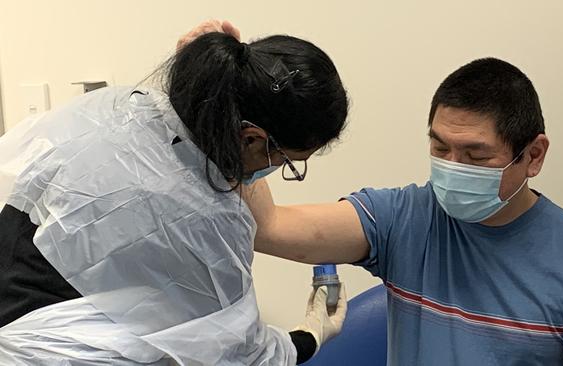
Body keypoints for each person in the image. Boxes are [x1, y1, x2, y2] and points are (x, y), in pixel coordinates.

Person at [0, 24, 348, 365]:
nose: (278, 171)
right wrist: (310, 335)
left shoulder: (122, 109)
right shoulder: (206, 221)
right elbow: (242, 353)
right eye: (289, 162)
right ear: (251, 138)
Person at [244, 56, 563, 364]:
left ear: (533, 155)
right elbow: (270, 227)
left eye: (475, 155)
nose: (452, 166)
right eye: (441, 149)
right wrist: (226, 113)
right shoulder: (405, 217)